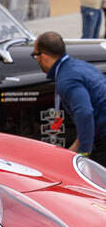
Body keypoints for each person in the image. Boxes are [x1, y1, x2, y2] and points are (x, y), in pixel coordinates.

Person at [32, 31, 106, 163]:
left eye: (35, 55)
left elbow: (85, 113)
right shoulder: (80, 66)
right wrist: (74, 150)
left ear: (44, 57)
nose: (36, 59)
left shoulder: (67, 79)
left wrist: (84, 154)